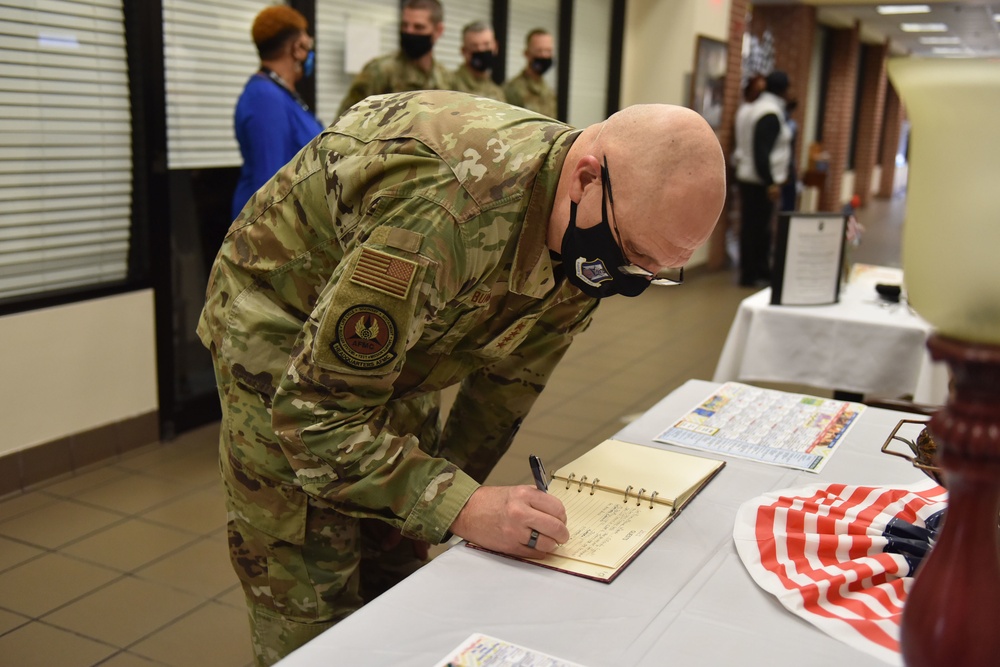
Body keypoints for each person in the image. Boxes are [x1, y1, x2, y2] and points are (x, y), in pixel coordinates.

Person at [198, 90, 726, 666]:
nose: (631, 279)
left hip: (409, 341)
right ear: (585, 177)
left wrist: (450, 503)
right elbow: (313, 418)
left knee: (397, 565)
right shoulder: (446, 213)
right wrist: (464, 507)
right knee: (308, 587)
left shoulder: (591, 230)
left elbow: (509, 383)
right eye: (632, 253)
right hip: (280, 331)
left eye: (657, 269)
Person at [231, 6, 324, 220]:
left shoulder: (281, 94)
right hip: (268, 230)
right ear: (297, 47)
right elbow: (269, 184)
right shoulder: (265, 98)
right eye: (307, 41)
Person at [336, 0, 452, 117]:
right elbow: (343, 122)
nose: (409, 32)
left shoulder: (445, 78)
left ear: (438, 30)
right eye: (404, 25)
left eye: (418, 27)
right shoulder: (380, 71)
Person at [733, 70, 792, 287]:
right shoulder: (769, 112)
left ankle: (757, 269)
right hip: (759, 180)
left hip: (749, 176)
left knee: (754, 228)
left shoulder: (753, 108)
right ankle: (749, 273)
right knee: (755, 230)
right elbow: (762, 151)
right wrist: (770, 182)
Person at [504, 28, 557, 118]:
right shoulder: (513, 90)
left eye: (548, 51)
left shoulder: (548, 91)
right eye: (539, 51)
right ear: (527, 53)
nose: (544, 56)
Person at [451, 20, 505, 102]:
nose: (481, 50)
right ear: (464, 51)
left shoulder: (497, 93)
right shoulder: (449, 85)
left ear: (495, 47)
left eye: (486, 44)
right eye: (474, 46)